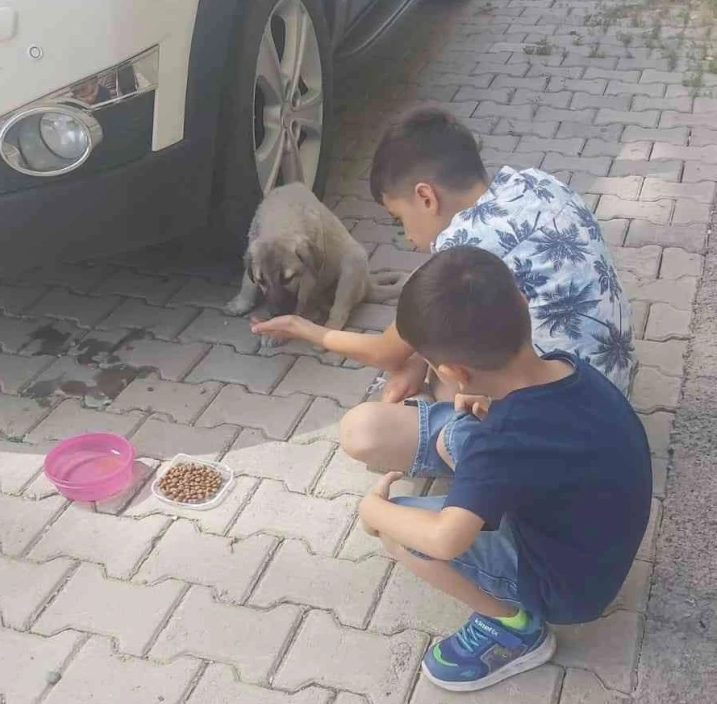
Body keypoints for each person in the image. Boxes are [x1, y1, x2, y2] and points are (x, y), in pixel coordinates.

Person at [251, 104, 635, 475]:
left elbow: (384, 352)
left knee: (363, 431)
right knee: (432, 357)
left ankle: (486, 460)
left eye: (399, 219)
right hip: (608, 391)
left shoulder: (465, 246)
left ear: (426, 197)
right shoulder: (535, 182)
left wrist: (307, 330)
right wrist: (418, 360)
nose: (407, 237)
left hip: (561, 432)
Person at [356, 245, 651, 691]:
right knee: (456, 434)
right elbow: (543, 435)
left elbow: (446, 538)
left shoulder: (503, 442)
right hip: (596, 543)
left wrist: (375, 511)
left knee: (404, 532)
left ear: (454, 371)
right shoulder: (569, 367)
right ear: (521, 302)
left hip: (567, 588)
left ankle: (514, 629)